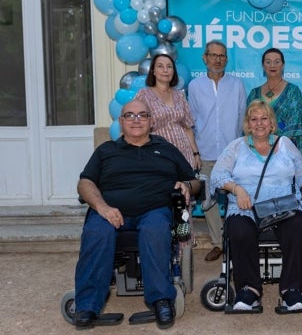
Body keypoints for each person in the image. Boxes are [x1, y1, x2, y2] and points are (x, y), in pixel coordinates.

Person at [73, 100, 200, 329]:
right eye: (130, 115)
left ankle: (161, 300)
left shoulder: (167, 149)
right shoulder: (106, 151)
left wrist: (188, 187)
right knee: (96, 232)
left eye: (142, 115)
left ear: (151, 122)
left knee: (156, 229)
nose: (136, 119)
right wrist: (102, 207)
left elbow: (195, 181)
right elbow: (85, 182)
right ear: (121, 122)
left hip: (154, 210)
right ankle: (87, 306)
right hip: (110, 211)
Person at [210, 100, 302, 312]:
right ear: (247, 124)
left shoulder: (286, 144)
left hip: (282, 205)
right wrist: (236, 189)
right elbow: (217, 176)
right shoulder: (235, 147)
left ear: (272, 123)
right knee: (239, 230)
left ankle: (292, 289)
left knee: (297, 224)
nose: (259, 123)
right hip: (246, 206)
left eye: (264, 118)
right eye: (254, 119)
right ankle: (249, 289)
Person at [188, 40, 247, 262]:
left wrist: (242, 148)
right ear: (205, 58)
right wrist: (194, 152)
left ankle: (236, 241)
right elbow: (192, 120)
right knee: (208, 201)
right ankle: (218, 242)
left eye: (222, 56)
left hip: (232, 152)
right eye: (213, 55)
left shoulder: (237, 84)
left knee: (235, 197)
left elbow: (242, 118)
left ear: (226, 60)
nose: (217, 59)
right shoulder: (195, 86)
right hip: (205, 151)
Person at [134, 53, 200, 170]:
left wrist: (196, 154)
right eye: (160, 66)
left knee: (186, 188)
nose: (165, 70)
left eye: (169, 66)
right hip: (157, 157)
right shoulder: (144, 95)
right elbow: (133, 126)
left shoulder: (180, 96)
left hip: (184, 155)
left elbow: (187, 128)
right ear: (153, 71)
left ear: (173, 71)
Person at [247, 48, 302, 155]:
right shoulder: (254, 93)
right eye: (268, 62)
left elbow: (296, 125)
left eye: (277, 61)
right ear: (263, 66)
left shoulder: (293, 91)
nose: (272, 65)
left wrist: (275, 146)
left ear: (283, 65)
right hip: (257, 151)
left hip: (285, 152)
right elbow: (248, 123)